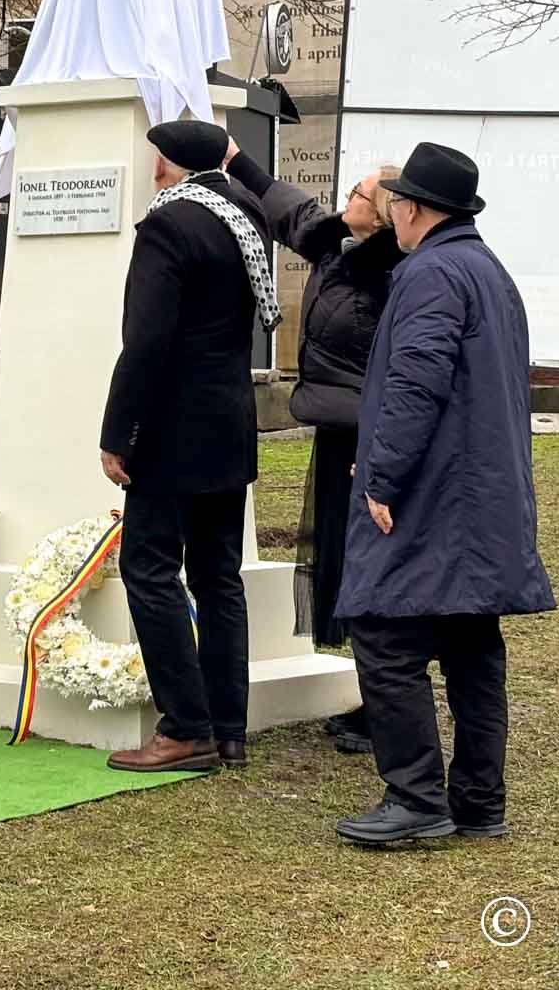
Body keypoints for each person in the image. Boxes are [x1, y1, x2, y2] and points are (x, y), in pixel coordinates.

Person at [332, 142, 556, 846]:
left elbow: (416, 380)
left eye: (396, 203)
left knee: (383, 634)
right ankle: (480, 802)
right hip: (479, 492)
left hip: (435, 494)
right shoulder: (486, 268)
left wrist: (382, 474)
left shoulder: (431, 273)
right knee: (471, 642)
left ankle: (416, 797)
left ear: (413, 209)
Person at [101, 118, 279, 774]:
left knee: (148, 568)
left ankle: (184, 727)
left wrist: (118, 432)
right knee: (216, 574)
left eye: (156, 159)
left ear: (165, 166)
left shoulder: (169, 223)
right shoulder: (244, 215)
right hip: (228, 420)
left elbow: (147, 339)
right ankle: (228, 727)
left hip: (173, 428)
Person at [224, 140, 404, 754]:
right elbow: (291, 209)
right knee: (341, 556)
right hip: (336, 427)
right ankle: (375, 694)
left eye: (358, 193)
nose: (346, 198)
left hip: (369, 435)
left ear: (382, 214)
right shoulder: (335, 244)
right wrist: (237, 161)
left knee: (370, 560)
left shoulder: (392, 272)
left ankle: (387, 706)